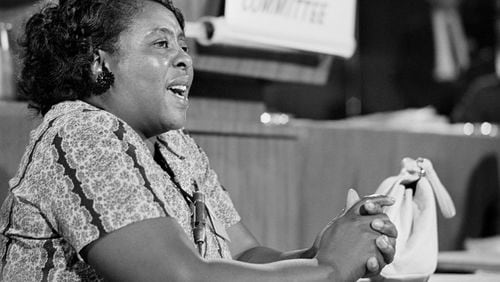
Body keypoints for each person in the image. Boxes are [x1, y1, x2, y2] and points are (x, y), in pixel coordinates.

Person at [0, 0, 397, 281]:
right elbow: (182, 278)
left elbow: (243, 256)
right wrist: (327, 270)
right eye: (161, 44)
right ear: (99, 62)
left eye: (183, 46)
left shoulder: (175, 146)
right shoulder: (81, 132)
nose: (185, 59)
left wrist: (321, 249)